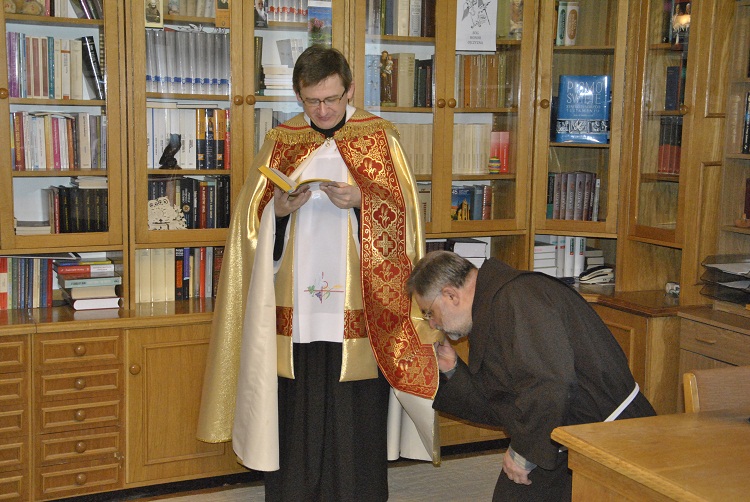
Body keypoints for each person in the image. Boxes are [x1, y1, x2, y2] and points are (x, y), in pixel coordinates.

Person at [196, 46, 440, 502]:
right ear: (299, 96)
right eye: (312, 101)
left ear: (350, 90)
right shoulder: (282, 140)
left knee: (355, 413)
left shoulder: (381, 139)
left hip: (360, 306)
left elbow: (407, 220)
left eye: (331, 99)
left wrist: (363, 202)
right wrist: (278, 211)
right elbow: (249, 224)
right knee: (296, 410)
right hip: (295, 308)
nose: (323, 110)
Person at [406, 251, 656, 502]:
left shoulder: (519, 297)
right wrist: (452, 368)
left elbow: (550, 384)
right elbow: (501, 404)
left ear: (451, 295)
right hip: (558, 428)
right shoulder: (493, 305)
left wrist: (524, 453)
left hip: (612, 436)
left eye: (429, 313)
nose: (433, 324)